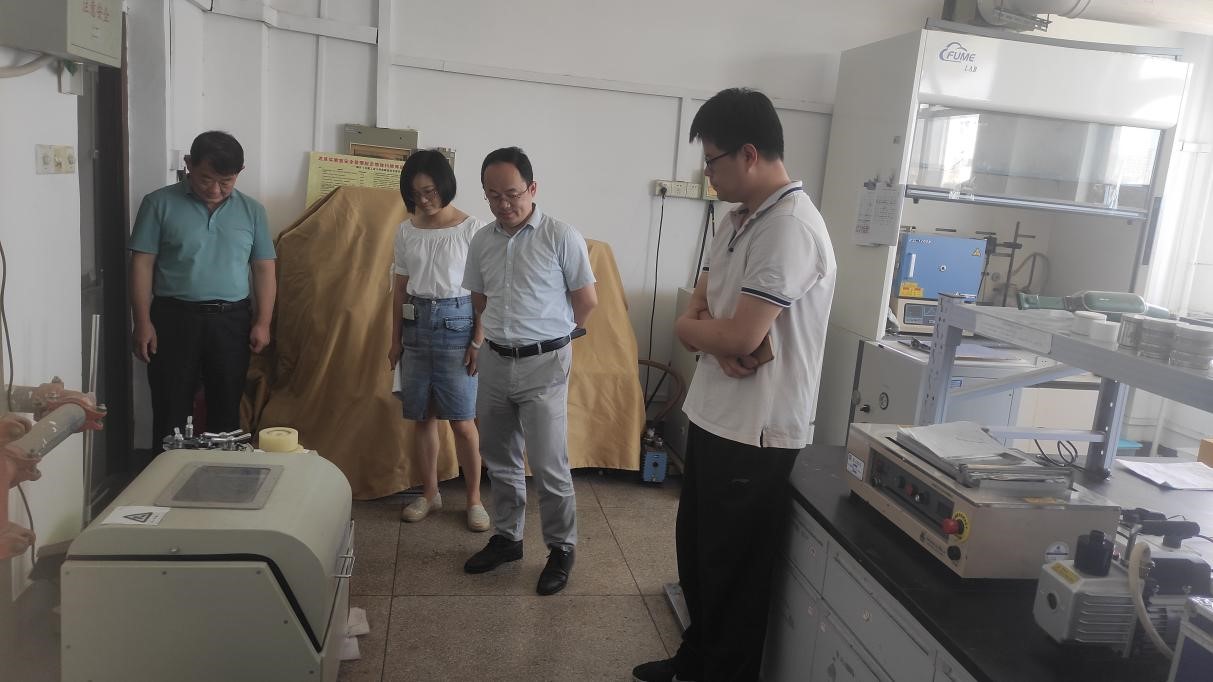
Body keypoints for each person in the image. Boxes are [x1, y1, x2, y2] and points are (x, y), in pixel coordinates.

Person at [632, 88, 837, 682]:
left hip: (757, 431)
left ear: (749, 153)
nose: (708, 174)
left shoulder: (790, 228)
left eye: (712, 161)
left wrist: (698, 331)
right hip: (716, 414)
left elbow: (742, 334)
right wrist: (706, 333)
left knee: (733, 574)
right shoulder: (738, 220)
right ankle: (694, 661)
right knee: (699, 555)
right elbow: (701, 304)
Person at [460, 147, 597, 596]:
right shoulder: (481, 240)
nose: (503, 204)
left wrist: (553, 338)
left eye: (512, 194)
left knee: (548, 463)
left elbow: (586, 302)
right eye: (493, 195)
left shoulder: (561, 236)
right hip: (495, 360)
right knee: (499, 458)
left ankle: (560, 548)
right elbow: (479, 299)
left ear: (532, 189)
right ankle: (508, 538)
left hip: (545, 363)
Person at [129, 130, 277, 449]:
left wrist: (263, 322)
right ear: (189, 164)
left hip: (231, 321)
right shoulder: (158, 204)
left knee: (226, 410)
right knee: (171, 409)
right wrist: (142, 322)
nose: (215, 190)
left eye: (226, 181)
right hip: (174, 319)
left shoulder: (252, 211)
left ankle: (221, 477)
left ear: (239, 173)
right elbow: (142, 264)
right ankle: (166, 477)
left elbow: (264, 268)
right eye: (206, 179)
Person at [389, 150, 490, 532]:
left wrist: (477, 341)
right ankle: (430, 493)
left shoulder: (472, 228)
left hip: (458, 323)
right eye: (415, 194)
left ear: (445, 186)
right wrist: (395, 340)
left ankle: (474, 499)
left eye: (429, 191)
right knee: (423, 417)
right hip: (415, 325)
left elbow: (484, 292)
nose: (424, 200)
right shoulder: (406, 230)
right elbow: (399, 290)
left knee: (463, 421)